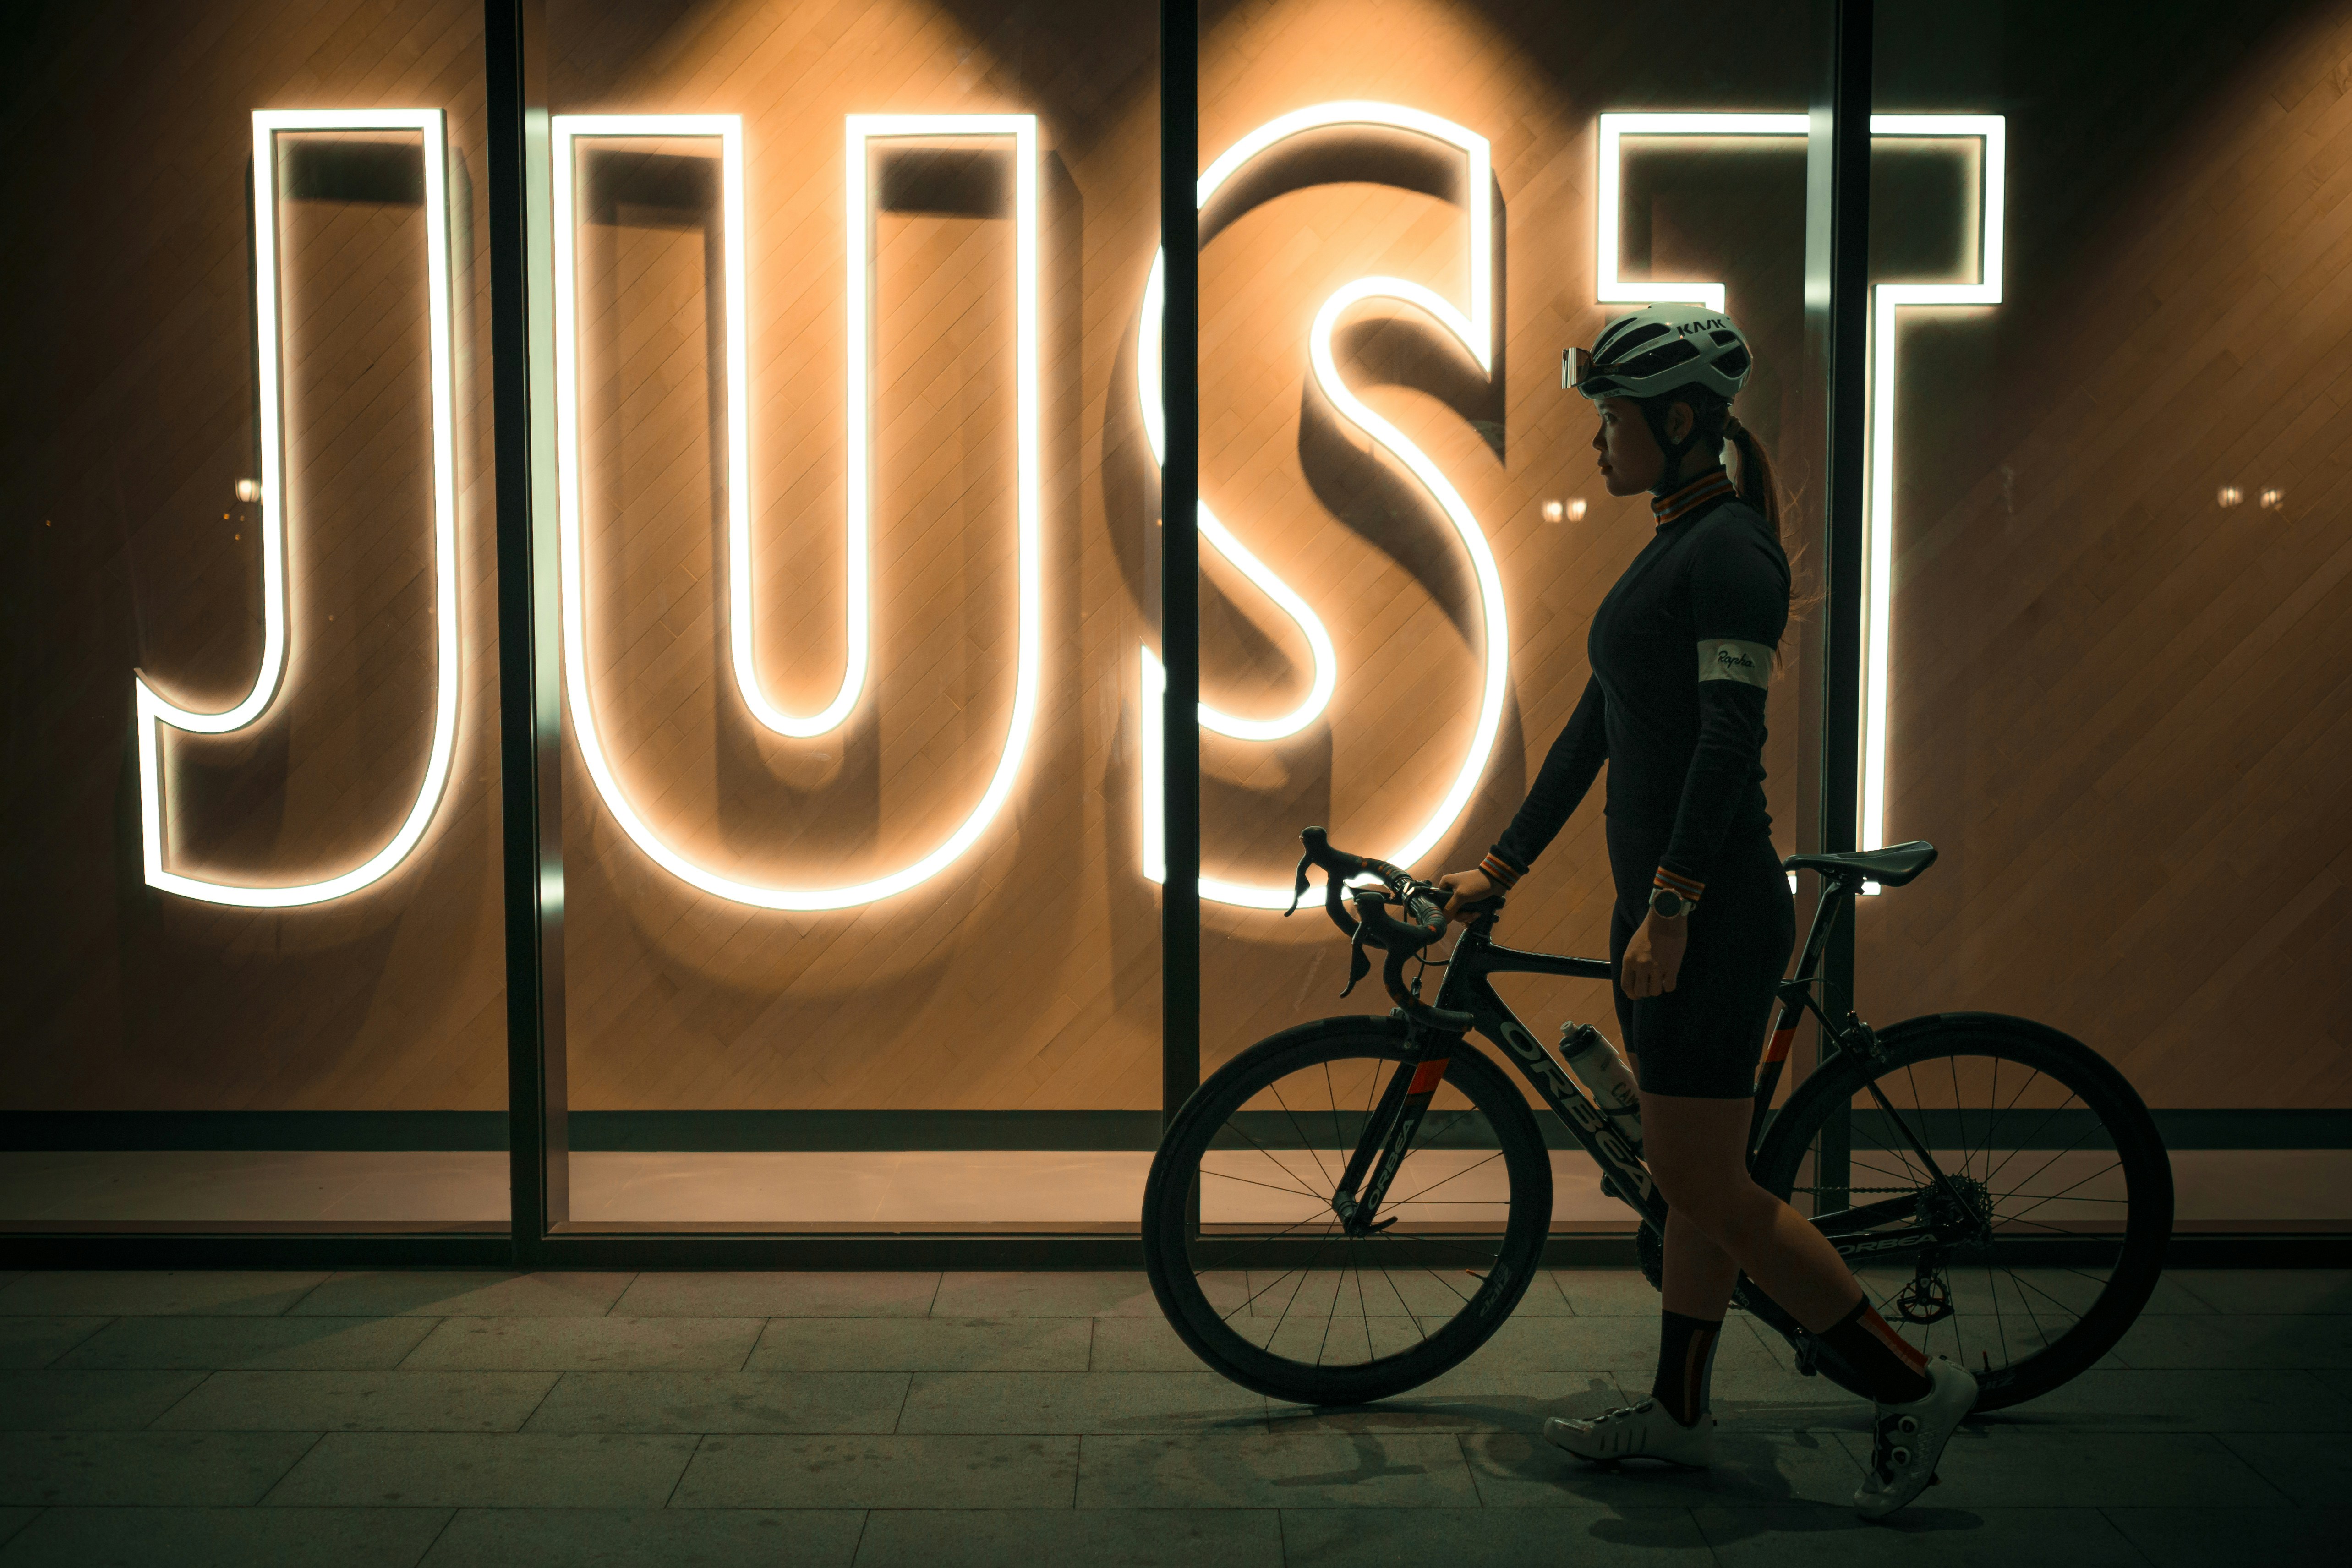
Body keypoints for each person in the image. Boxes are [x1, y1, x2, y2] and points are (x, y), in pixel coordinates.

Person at [1433, 303, 1975, 1518]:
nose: (1597, 440)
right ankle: (1679, 1416)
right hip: (1682, 907)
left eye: (1612, 419)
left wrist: (1671, 904)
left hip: (1716, 914)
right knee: (1692, 1180)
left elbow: (1732, 737)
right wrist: (1502, 867)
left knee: (1710, 1187)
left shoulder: (1729, 553)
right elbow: (1598, 727)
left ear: (1679, 421)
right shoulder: (1674, 542)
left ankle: (1910, 1386)